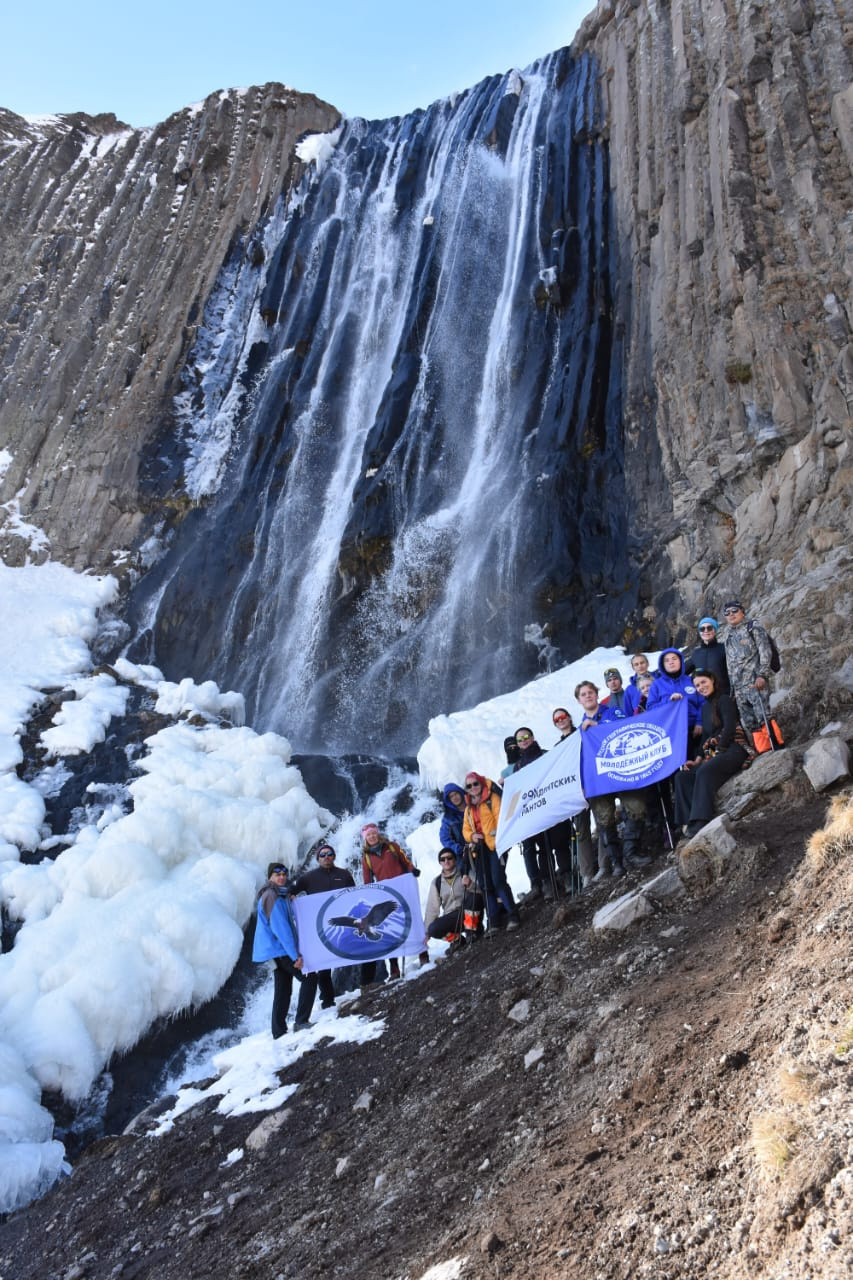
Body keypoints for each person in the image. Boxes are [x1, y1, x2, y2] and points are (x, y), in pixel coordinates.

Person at [575, 681, 651, 876]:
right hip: (598, 781)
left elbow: (626, 729)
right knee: (604, 820)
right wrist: (583, 784)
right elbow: (579, 760)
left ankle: (631, 852)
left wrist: (598, 726)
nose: (588, 696)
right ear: (579, 700)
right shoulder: (579, 732)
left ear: (597, 694)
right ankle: (617, 863)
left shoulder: (613, 712)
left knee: (636, 807)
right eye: (583, 694)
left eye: (591, 692)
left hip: (620, 771)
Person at [674, 670, 750, 836]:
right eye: (697, 685)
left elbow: (729, 727)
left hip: (733, 748)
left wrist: (720, 749)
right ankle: (688, 821)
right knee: (682, 776)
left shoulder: (724, 700)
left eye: (703, 682)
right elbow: (706, 737)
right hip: (716, 751)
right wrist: (697, 760)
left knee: (704, 771)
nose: (701, 687)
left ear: (712, 680)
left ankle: (701, 820)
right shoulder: (704, 708)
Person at [289, 843, 355, 1027]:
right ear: (318, 859)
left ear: (334, 856)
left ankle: (367, 985)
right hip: (320, 927)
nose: (326, 857)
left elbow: (355, 895)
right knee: (323, 965)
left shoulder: (344, 874)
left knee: (358, 954)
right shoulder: (309, 878)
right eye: (323, 855)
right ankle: (328, 1001)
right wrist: (293, 898)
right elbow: (292, 892)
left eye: (329, 854)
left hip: (343, 924)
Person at [360, 823, 425, 981]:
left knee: (414, 920)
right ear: (365, 839)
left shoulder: (392, 846)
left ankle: (423, 954)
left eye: (374, 833)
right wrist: (370, 895)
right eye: (369, 835)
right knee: (390, 929)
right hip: (386, 895)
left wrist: (412, 870)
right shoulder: (366, 858)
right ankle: (394, 968)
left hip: (404, 889)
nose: (372, 836)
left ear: (378, 834)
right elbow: (367, 880)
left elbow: (405, 860)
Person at [461, 772, 520, 930]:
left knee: (498, 881)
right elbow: (465, 830)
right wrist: (472, 836)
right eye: (469, 786)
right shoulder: (468, 808)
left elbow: (501, 818)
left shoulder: (492, 799)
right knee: (486, 884)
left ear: (481, 783)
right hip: (479, 849)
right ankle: (493, 921)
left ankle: (513, 915)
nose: (473, 788)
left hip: (495, 846)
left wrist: (488, 836)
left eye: (475, 784)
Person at [251, 862, 303, 1039]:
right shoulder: (271, 896)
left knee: (283, 990)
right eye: (277, 874)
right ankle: (302, 1021)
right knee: (309, 977)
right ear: (270, 877)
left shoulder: (279, 895)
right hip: (280, 950)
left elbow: (291, 917)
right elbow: (282, 930)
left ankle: (278, 1032)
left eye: (284, 874)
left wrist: (293, 902)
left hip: (275, 950)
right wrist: (295, 955)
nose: (282, 877)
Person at [551, 706, 596, 889]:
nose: (560, 720)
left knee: (602, 824)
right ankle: (587, 873)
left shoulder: (582, 734)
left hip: (593, 783)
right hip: (576, 791)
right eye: (556, 719)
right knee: (582, 833)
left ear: (569, 717)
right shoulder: (557, 748)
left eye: (562, 716)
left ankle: (606, 864)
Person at [512, 727, 557, 901]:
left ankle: (559, 877)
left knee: (554, 844)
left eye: (526, 736)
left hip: (550, 805)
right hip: (534, 810)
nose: (524, 740)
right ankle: (545, 882)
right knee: (540, 847)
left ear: (532, 737)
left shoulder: (546, 754)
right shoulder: (518, 766)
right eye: (520, 739)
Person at [722, 600, 776, 740]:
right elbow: (730, 664)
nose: (731, 614)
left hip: (755, 682)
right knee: (750, 723)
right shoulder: (727, 635)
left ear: (742, 612)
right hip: (739, 688)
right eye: (727, 613)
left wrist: (763, 675)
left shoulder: (753, 627)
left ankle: (776, 746)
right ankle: (764, 751)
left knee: (764, 716)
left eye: (734, 610)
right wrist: (733, 689)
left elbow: (765, 652)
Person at [646, 648, 704, 751]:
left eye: (674, 659)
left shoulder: (691, 680)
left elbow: (703, 702)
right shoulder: (657, 684)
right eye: (666, 660)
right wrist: (669, 701)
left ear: (680, 661)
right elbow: (650, 708)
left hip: (693, 727)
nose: (671, 662)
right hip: (669, 730)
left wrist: (699, 722)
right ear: (662, 665)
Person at [423, 847, 469, 954]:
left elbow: (478, 890)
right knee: (433, 929)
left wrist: (469, 884)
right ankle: (457, 939)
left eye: (449, 858)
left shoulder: (464, 873)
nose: (446, 861)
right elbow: (432, 908)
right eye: (443, 859)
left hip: (467, 911)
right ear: (440, 863)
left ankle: (474, 931)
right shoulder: (437, 882)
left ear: (455, 860)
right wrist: (427, 932)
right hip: (451, 917)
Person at [684, 617, 731, 694]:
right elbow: (681, 671)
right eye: (702, 629)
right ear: (699, 632)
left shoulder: (724, 648)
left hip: (724, 695)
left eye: (709, 628)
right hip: (703, 698)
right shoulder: (696, 653)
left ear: (715, 630)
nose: (706, 631)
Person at [439, 785, 467, 871]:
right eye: (451, 796)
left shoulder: (473, 807)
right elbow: (444, 838)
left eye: (456, 794)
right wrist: (457, 848)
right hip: (463, 854)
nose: (455, 797)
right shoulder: (448, 818)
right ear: (449, 800)